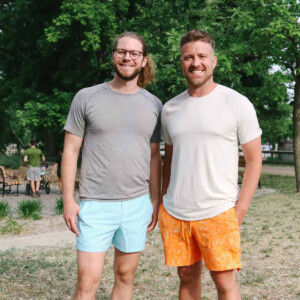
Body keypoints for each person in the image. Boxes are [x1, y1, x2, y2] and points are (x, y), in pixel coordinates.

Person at [159, 30, 262, 300]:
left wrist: (240, 208)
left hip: (218, 210)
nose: (196, 63)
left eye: (202, 56)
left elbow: (254, 160)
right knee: (186, 278)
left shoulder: (237, 103)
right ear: (181, 63)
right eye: (188, 57)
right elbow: (169, 160)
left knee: (224, 282)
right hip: (176, 212)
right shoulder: (170, 108)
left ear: (214, 61)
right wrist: (161, 201)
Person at [62, 32, 162, 300]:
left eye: (134, 53)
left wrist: (156, 200)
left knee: (125, 277)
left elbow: (154, 157)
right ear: (113, 56)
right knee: (86, 283)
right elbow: (71, 151)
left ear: (143, 61)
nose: (127, 57)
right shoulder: (86, 98)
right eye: (122, 52)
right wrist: (68, 200)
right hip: (95, 204)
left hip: (136, 204)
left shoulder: (154, 105)